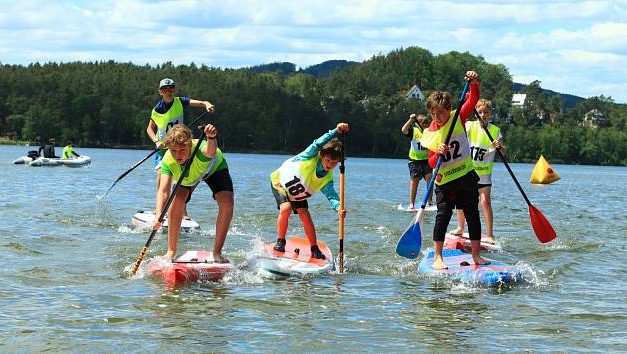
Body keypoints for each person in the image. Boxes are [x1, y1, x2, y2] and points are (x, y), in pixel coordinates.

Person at [420, 71, 489, 269]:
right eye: (433, 113)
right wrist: (437, 153)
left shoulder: (458, 117)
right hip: (445, 182)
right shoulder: (428, 134)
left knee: (472, 215)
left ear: (449, 109)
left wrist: (474, 82)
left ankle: (476, 255)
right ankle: (438, 257)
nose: (437, 117)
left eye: (441, 112)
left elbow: (474, 98)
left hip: (466, 176)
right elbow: (432, 163)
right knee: (443, 216)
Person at [152, 124, 233, 263]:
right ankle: (171, 252)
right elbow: (163, 191)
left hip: (214, 168)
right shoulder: (168, 160)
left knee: (227, 203)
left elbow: (211, 152)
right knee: (176, 202)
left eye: (182, 150)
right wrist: (159, 214)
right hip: (189, 175)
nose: (178, 154)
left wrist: (211, 137)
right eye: (174, 150)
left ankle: (217, 253)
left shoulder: (200, 150)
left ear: (190, 145)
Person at [270, 123, 350, 259]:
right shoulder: (310, 155)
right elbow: (319, 143)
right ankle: (280, 241)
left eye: (334, 163)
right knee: (286, 208)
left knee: (305, 214)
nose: (329, 165)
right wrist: (336, 131)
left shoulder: (327, 178)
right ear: (322, 155)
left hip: (298, 191)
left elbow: (332, 196)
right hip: (280, 182)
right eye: (328, 160)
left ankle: (314, 247)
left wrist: (339, 207)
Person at [146, 78, 216, 218]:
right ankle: (159, 209)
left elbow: (201, 103)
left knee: (183, 178)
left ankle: (183, 210)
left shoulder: (180, 101)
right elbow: (149, 129)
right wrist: (156, 141)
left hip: (180, 145)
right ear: (160, 92)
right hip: (164, 147)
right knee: (161, 175)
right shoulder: (157, 109)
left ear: (174, 90)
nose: (168, 92)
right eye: (165, 89)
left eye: (171, 88)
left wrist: (207, 104)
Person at [449, 99, 506, 244]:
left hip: (484, 175)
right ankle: (460, 227)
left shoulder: (494, 130)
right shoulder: (469, 126)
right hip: (467, 171)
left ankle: (490, 234)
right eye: (480, 112)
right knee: (461, 201)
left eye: (486, 112)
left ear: (490, 114)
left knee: (485, 202)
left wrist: (499, 147)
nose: (483, 115)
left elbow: (504, 153)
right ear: (476, 114)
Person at [401, 113, 433, 210]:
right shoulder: (413, 131)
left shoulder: (428, 132)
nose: (424, 125)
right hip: (414, 160)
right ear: (417, 124)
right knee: (414, 181)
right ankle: (411, 204)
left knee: (430, 179)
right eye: (422, 123)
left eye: (426, 123)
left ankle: (430, 202)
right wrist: (410, 120)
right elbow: (403, 130)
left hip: (426, 160)